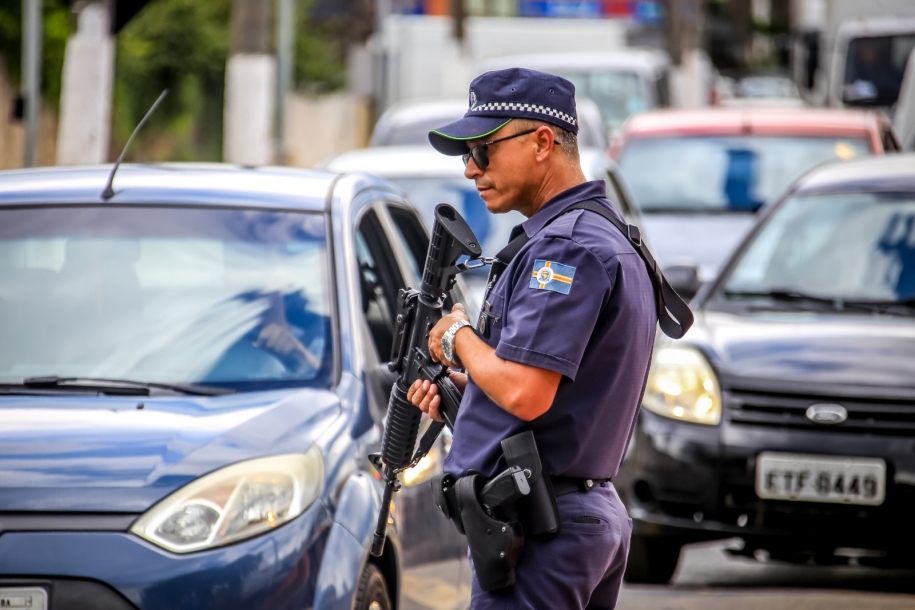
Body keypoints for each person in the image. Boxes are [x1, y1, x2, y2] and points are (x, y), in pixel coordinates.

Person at [407, 68, 659, 609]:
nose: (471, 168)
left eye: (484, 149)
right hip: (569, 518)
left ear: (543, 142)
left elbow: (526, 392)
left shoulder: (565, 250)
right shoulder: (598, 233)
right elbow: (561, 394)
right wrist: (465, 384)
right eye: (466, 154)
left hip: (546, 532)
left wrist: (458, 338)